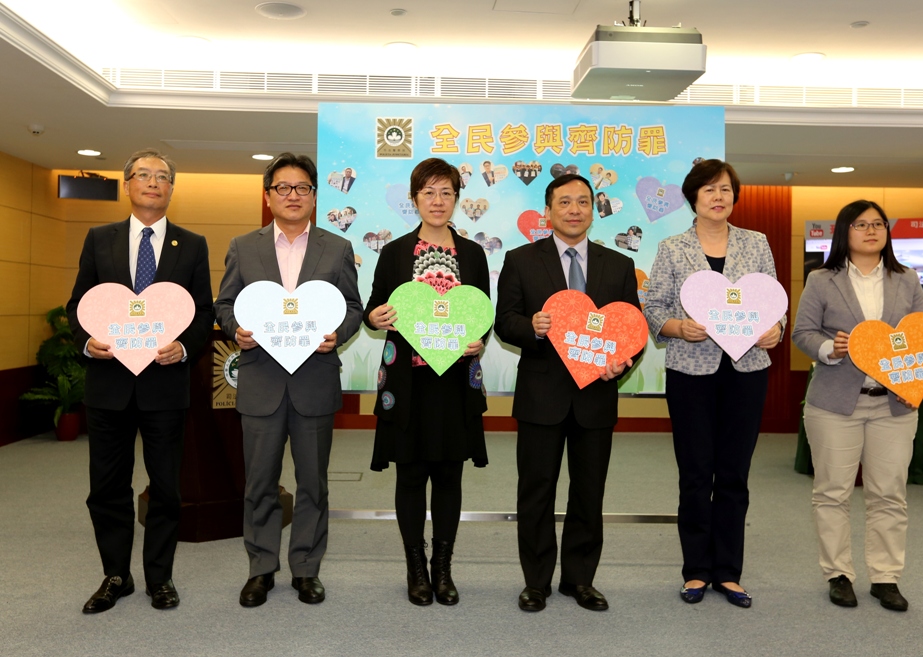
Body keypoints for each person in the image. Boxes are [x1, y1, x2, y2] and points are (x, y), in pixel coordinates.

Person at [66, 148, 214, 613]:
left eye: (162, 176)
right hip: (109, 385)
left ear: (172, 189)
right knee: (107, 488)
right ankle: (116, 575)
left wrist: (184, 347)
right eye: (143, 175)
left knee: (166, 487)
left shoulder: (192, 244)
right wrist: (87, 342)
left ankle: (159, 577)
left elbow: (202, 311)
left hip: (164, 387)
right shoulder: (99, 239)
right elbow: (78, 305)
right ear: (128, 184)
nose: (153, 182)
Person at [214, 153, 363, 608]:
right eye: (283, 187)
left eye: (302, 188)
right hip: (261, 383)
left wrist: (338, 334)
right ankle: (261, 568)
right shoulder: (244, 246)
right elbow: (224, 304)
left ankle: (306, 569)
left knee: (313, 484)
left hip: (314, 382)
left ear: (315, 197)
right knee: (259, 482)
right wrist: (235, 330)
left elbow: (352, 307)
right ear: (268, 196)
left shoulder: (337, 248)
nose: (292, 195)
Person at [495, 173, 640, 613]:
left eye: (583, 202)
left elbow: (630, 331)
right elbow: (505, 321)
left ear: (593, 211)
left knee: (589, 493)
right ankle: (536, 581)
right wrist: (533, 328)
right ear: (548, 211)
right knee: (536, 491)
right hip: (541, 396)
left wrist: (622, 363)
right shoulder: (521, 260)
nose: (574, 209)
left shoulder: (618, 265)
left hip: (596, 396)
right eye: (564, 202)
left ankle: (580, 580)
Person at [642, 159, 784, 609]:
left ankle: (728, 572)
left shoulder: (756, 243)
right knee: (696, 473)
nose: (718, 197)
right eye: (709, 190)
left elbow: (774, 301)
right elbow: (654, 307)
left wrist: (776, 329)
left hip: (747, 371)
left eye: (725, 189)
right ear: (693, 198)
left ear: (734, 196)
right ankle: (696, 570)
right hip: (691, 374)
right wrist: (677, 327)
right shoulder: (672, 247)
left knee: (734, 474)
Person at [365, 158, 490, 607]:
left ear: (457, 198)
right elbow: (374, 307)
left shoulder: (472, 254)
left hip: (454, 383)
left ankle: (443, 569)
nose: (438, 201)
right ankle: (415, 568)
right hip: (409, 382)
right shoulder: (395, 252)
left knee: (450, 476)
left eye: (446, 193)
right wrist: (375, 317)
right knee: (411, 475)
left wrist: (479, 339)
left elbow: (483, 313)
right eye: (428, 193)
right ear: (414, 198)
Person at [793, 199, 923, 613]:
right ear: (844, 232)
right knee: (832, 492)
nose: (871, 231)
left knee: (889, 493)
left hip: (894, 405)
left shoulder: (907, 279)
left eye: (878, 224)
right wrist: (828, 349)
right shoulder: (821, 279)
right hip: (835, 404)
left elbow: (922, 337)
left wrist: (916, 382)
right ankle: (838, 574)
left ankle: (886, 577)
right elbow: (802, 333)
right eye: (861, 224)